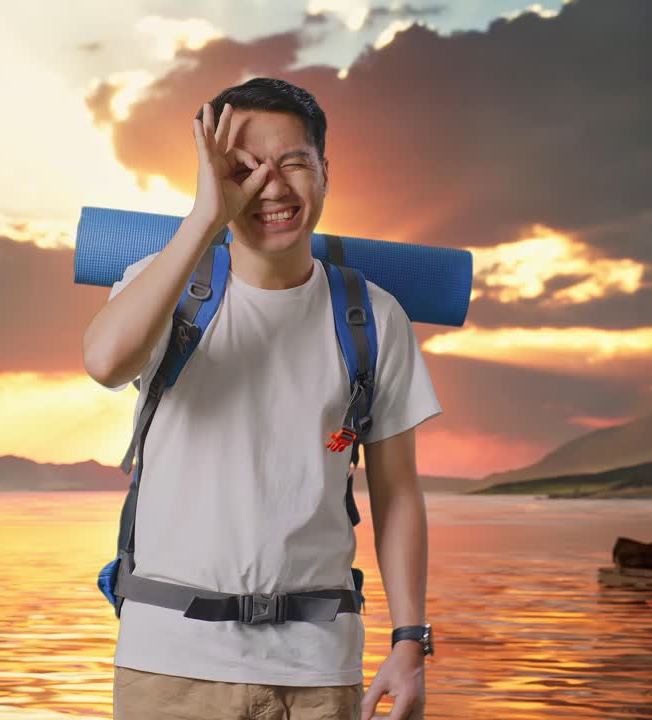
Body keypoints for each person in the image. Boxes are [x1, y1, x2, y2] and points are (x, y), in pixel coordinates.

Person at [83, 77, 442, 720]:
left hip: (317, 669)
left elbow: (397, 494)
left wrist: (410, 642)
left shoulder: (374, 317)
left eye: (294, 163)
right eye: (245, 169)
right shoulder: (165, 287)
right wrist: (205, 218)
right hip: (169, 665)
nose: (271, 187)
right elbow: (106, 363)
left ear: (325, 172)